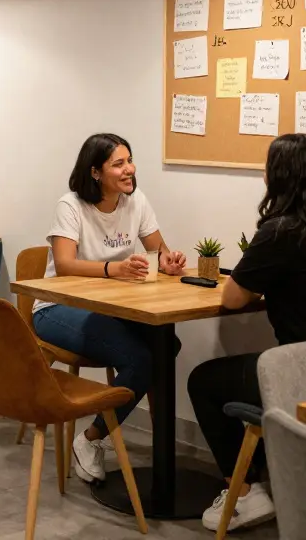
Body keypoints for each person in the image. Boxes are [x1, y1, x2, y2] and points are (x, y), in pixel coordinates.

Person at [187, 133, 306, 532]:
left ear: (279, 179)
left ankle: (246, 494)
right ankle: (263, 485)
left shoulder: (281, 232)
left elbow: (234, 298)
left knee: (203, 381)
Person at [32, 132, 187, 484]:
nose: (129, 169)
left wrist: (169, 261)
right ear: (95, 173)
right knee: (141, 357)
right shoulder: (70, 205)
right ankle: (90, 439)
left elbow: (158, 249)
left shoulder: (136, 200)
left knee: (166, 345)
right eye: (118, 163)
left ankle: (157, 448)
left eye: (130, 160)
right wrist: (112, 269)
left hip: (110, 307)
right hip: (56, 309)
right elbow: (65, 263)